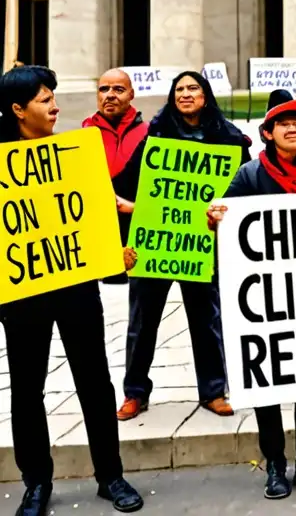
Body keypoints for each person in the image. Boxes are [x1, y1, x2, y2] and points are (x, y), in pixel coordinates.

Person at [0, 66, 144, 515]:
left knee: (95, 382)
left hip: (77, 287)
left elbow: (90, 213)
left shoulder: (75, 154)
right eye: (45, 100)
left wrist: (111, 253)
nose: (56, 106)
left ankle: (111, 475)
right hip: (22, 292)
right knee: (27, 389)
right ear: (18, 110)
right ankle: (36, 483)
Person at [207, 99, 296, 499]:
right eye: (285, 124)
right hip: (266, 297)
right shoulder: (250, 173)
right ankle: (275, 462)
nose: (293, 129)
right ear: (269, 133)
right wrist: (217, 215)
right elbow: (223, 214)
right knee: (269, 383)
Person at [115, 70, 250, 421]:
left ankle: (213, 391)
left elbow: (244, 196)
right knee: (142, 323)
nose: (186, 94)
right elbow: (124, 188)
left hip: (202, 247)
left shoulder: (231, 141)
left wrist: (224, 214)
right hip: (154, 246)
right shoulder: (154, 139)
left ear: (206, 95)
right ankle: (134, 392)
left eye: (193, 88)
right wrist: (131, 213)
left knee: (207, 320)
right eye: (179, 89)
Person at [82, 69, 149, 285]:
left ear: (131, 94)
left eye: (118, 89)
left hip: (138, 242)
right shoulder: (82, 137)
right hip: (98, 239)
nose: (110, 95)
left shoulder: (150, 135)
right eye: (104, 89)